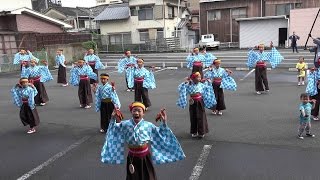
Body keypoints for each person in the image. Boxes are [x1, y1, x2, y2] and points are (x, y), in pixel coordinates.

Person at [101, 102, 185, 180]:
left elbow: (161, 133)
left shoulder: (148, 125)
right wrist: (112, 118)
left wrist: (164, 122)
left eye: (139, 111)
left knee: (148, 176)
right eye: (134, 110)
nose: (136, 113)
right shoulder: (125, 124)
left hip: (145, 156)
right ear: (131, 112)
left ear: (143, 113)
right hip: (131, 157)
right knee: (133, 177)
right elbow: (113, 129)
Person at [177, 72, 216, 138]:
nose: (200, 78)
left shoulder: (201, 84)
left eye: (200, 77)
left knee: (201, 116)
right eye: (198, 77)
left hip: (200, 101)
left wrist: (209, 82)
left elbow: (208, 89)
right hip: (192, 102)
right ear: (193, 79)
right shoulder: (189, 85)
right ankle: (194, 131)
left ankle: (201, 132)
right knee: (193, 116)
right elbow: (180, 88)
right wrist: (185, 83)